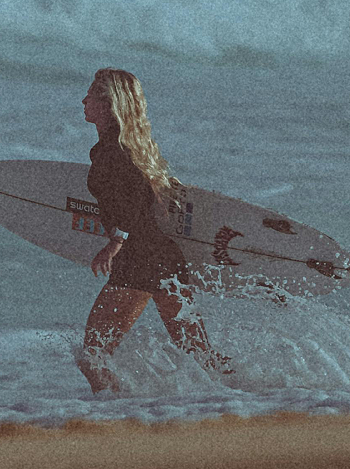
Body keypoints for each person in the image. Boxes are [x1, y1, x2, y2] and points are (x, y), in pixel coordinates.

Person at [79, 68, 234, 394]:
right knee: (201, 355)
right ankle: (260, 397)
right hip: (164, 259)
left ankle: (116, 417)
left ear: (109, 104)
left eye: (91, 94)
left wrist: (115, 241)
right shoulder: (133, 149)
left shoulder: (112, 152)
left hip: (140, 262)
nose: (84, 100)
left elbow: (133, 205)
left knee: (94, 355)